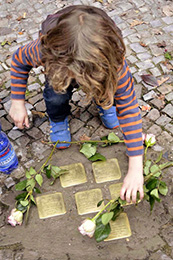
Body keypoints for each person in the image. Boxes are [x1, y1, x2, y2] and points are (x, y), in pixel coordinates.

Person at [9, 5, 144, 203]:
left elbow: (129, 109)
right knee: (56, 95)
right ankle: (58, 118)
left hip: (100, 69)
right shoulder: (45, 49)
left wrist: (135, 168)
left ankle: (105, 102)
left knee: (107, 87)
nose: (78, 79)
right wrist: (17, 102)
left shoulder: (114, 64)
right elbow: (19, 61)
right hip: (59, 68)